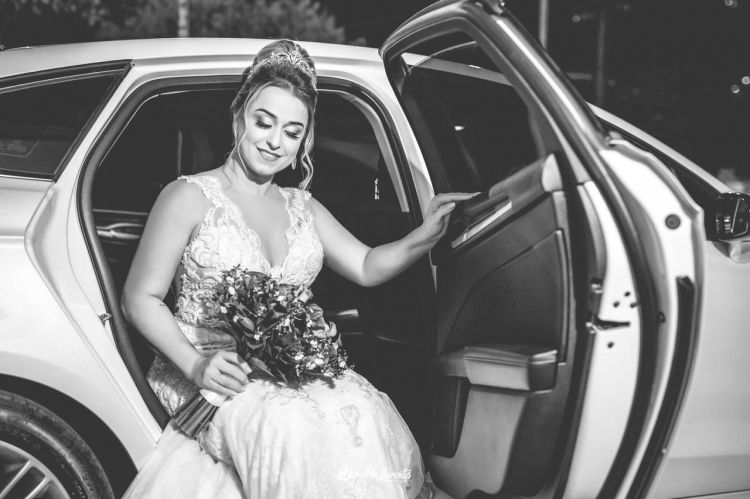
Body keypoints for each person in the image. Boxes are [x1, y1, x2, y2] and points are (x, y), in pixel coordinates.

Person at [121, 39, 472, 499]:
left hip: (288, 371)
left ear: (303, 140)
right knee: (290, 429)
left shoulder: (303, 206)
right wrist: (196, 364)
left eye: (291, 131)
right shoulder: (187, 196)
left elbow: (366, 265)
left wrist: (422, 237)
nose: (274, 142)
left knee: (360, 409)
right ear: (238, 118)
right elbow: (139, 298)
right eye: (263, 122)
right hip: (211, 374)